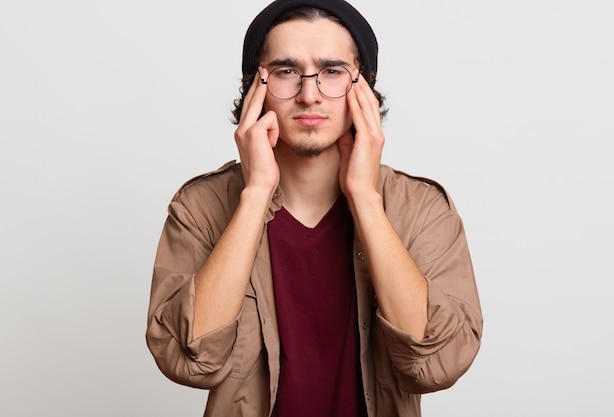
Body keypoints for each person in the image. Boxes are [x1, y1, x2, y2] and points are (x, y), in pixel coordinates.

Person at [146, 0, 483, 416]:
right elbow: (189, 359)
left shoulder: (423, 209)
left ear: (364, 88)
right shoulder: (198, 207)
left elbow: (437, 364)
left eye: (332, 71)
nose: (309, 95)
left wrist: (365, 198)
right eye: (286, 71)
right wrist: (255, 195)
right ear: (256, 89)